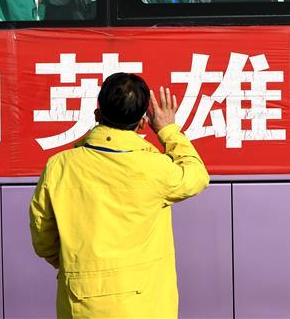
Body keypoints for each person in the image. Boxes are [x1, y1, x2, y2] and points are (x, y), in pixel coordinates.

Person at [30, 73, 209, 318]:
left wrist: (75, 266)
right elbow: (197, 175)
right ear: (143, 122)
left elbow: (43, 236)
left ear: (97, 113)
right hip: (145, 306)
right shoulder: (154, 167)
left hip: (82, 303)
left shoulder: (59, 166)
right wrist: (169, 130)